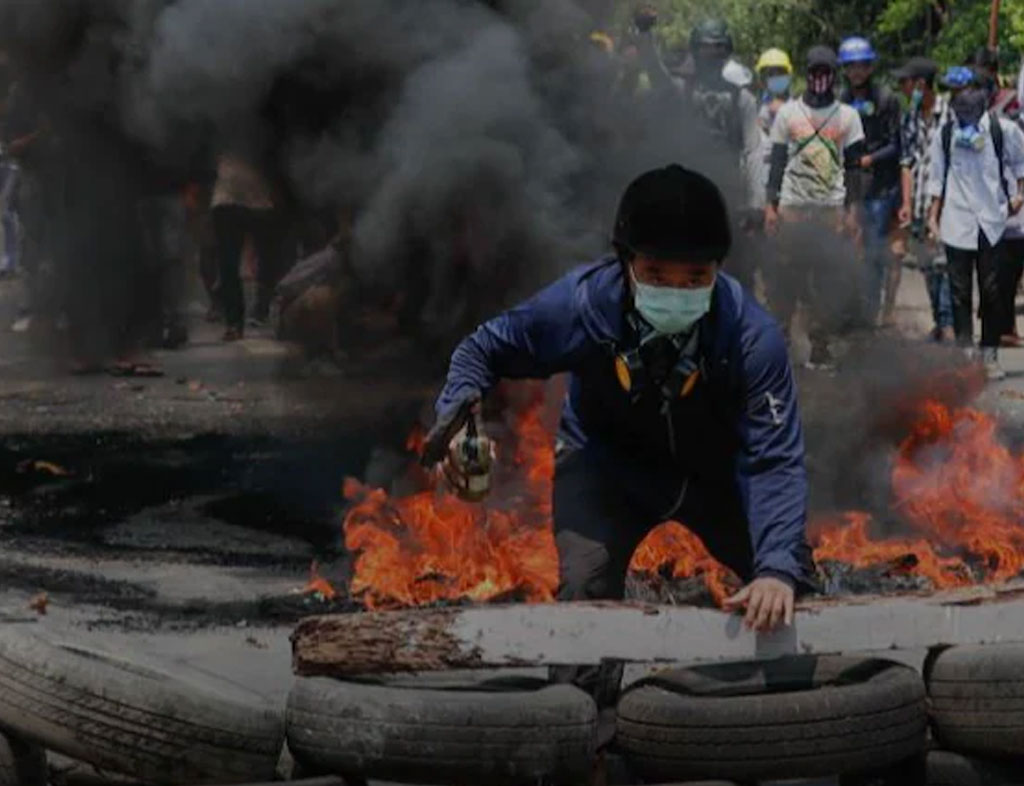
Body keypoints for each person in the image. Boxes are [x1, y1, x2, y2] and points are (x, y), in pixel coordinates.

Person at [425, 164, 813, 635]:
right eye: (655, 273)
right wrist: (461, 415)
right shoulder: (579, 306)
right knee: (583, 608)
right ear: (625, 263)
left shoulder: (752, 338)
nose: (676, 292)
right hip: (605, 469)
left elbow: (774, 460)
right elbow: (481, 350)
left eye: (695, 278)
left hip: (716, 476)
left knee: (792, 586)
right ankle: (590, 702)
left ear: (719, 269)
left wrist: (774, 569)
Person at [765, 45, 867, 368]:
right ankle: (780, 343)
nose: (820, 78)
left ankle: (820, 347)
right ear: (806, 75)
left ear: (833, 76)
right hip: (793, 208)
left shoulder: (848, 116)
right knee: (786, 280)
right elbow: (777, 162)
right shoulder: (787, 114)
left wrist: (852, 212)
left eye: (826, 73)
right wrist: (771, 206)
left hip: (829, 211)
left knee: (826, 282)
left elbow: (854, 168)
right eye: (815, 72)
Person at [926, 67, 1024, 380]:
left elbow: (1020, 163)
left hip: (991, 220)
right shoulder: (944, 133)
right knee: (959, 291)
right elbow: (937, 176)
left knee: (992, 290)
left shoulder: (1002, 129)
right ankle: (966, 355)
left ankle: (990, 353)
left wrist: (1020, 195)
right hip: (957, 220)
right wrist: (932, 215)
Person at [838, 36, 903, 326]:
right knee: (846, 247)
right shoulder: (840, 100)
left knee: (875, 250)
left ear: (870, 66)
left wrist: (869, 159)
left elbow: (895, 145)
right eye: (851, 67)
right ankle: (850, 308)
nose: (857, 72)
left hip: (879, 186)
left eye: (862, 65)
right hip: (849, 186)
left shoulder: (886, 99)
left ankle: (871, 310)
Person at [895, 56, 954, 342]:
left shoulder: (951, 115)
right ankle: (940, 322)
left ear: (921, 83)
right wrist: (906, 204)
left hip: (945, 206)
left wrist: (938, 209)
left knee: (944, 266)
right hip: (918, 203)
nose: (902, 88)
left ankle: (948, 325)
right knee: (928, 268)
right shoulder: (910, 117)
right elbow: (907, 162)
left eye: (904, 82)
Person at [211, 152, 287, 341]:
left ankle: (264, 310)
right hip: (229, 198)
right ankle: (235, 322)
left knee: (271, 259)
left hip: (257, 198)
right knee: (229, 265)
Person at [750, 48, 794, 212]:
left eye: (779, 73)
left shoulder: (799, 107)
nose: (774, 78)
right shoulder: (755, 106)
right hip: (760, 183)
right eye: (769, 73)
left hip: (788, 184)